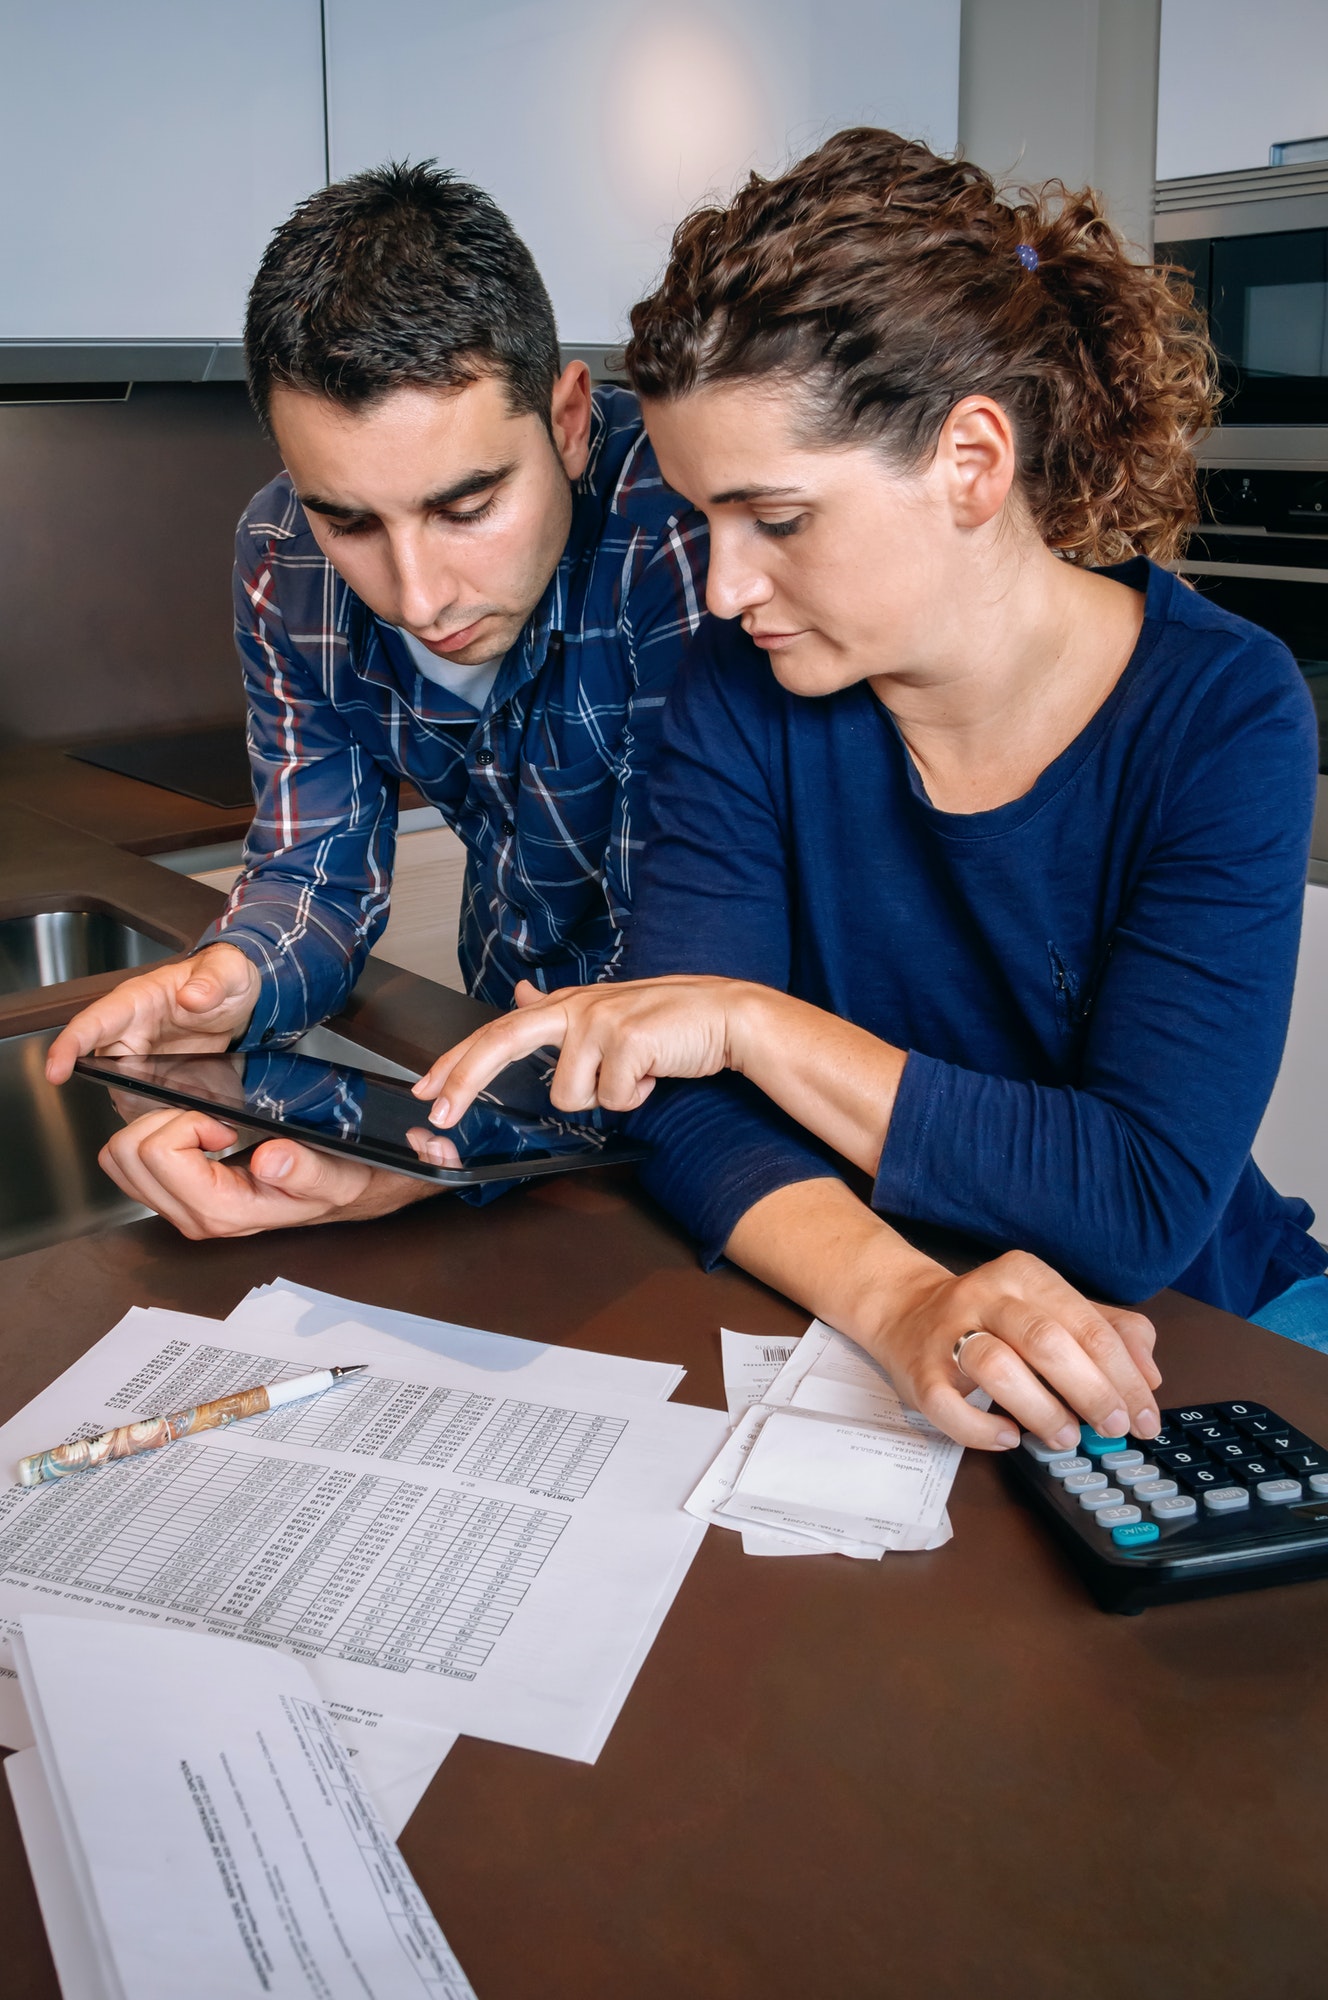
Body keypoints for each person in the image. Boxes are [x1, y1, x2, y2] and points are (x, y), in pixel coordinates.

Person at [414, 129, 1325, 1454]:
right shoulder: (744, 685)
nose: (723, 588)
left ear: (970, 463)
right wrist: (905, 1302)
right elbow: (677, 1105)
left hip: (1207, 1331)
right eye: (701, 524)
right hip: (891, 1329)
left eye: (777, 522)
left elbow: (1135, 1201)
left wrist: (750, 1024)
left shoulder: (1222, 713)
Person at [46, 162, 706, 1234]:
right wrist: (231, 979)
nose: (417, 593)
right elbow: (314, 872)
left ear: (570, 417)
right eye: (348, 520)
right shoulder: (279, 555)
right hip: (506, 1084)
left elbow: (697, 977)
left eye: (468, 505)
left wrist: (440, 1160)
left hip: (707, 1118)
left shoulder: (684, 536)